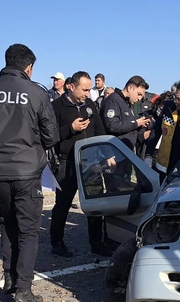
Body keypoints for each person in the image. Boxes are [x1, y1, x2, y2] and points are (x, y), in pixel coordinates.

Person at [0, 43, 58, 302]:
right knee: (28, 231)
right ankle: (23, 292)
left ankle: (9, 278)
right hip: (27, 171)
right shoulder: (37, 93)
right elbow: (52, 136)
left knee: (7, 223)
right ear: (28, 67)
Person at [49, 71, 115, 258]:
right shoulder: (56, 107)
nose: (87, 93)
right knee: (62, 204)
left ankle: (97, 243)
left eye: (89, 90)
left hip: (91, 162)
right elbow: (50, 135)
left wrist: (107, 154)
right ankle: (57, 242)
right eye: (84, 89)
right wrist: (71, 129)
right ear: (71, 86)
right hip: (67, 162)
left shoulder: (90, 104)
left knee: (95, 205)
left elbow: (100, 130)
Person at [100, 75, 152, 152]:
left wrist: (140, 123)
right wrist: (135, 123)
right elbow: (112, 125)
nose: (139, 98)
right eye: (139, 94)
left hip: (125, 151)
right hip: (115, 151)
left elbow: (126, 123)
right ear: (130, 88)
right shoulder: (114, 100)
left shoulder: (127, 103)